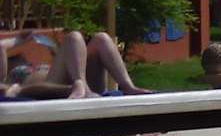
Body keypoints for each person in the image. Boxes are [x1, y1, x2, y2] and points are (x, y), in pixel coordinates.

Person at [3, 29, 150, 99]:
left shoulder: (36, 65)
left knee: (101, 38)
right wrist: (15, 42)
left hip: (75, 82)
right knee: (73, 37)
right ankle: (81, 85)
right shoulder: (11, 80)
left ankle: (127, 86)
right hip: (55, 88)